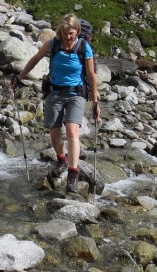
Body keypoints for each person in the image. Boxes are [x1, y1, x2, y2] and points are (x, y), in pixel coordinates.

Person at [12, 14, 101, 190]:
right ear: (60, 32)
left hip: (76, 93)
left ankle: (73, 172)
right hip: (55, 92)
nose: (68, 37)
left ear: (78, 31)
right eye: (65, 33)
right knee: (54, 132)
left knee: (72, 131)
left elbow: (91, 76)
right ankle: (62, 158)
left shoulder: (84, 48)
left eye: (72, 33)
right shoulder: (53, 44)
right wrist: (20, 77)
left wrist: (96, 100)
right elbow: (36, 59)